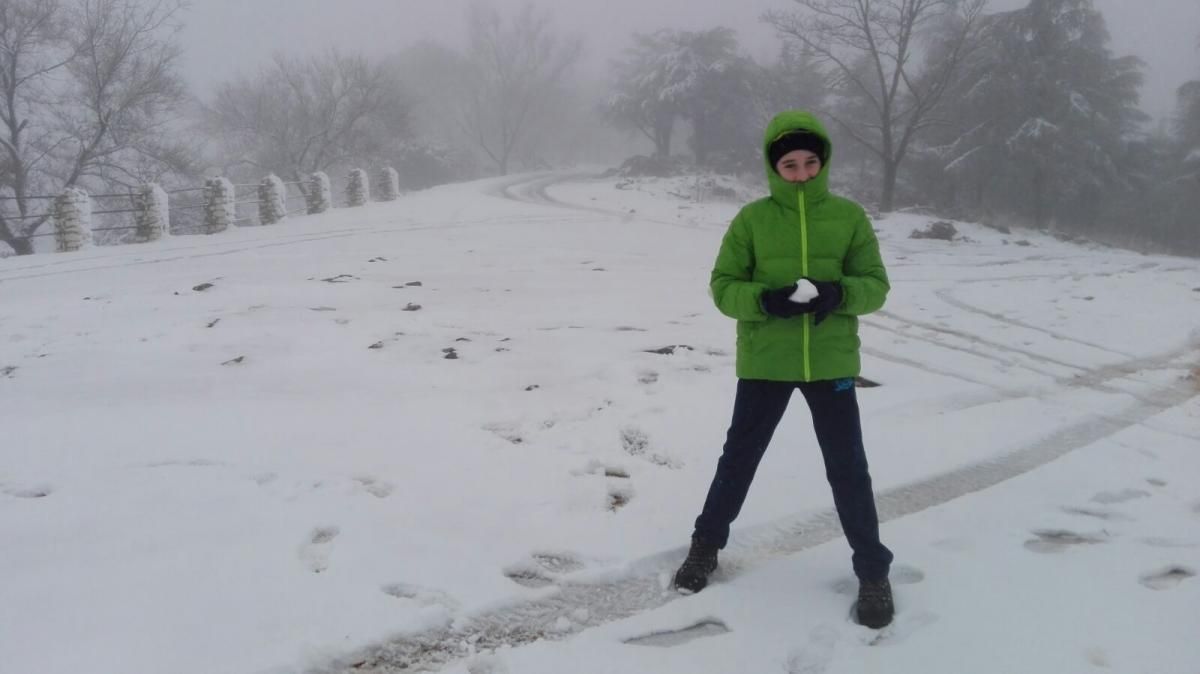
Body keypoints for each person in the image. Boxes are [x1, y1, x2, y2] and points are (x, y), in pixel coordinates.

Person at [672, 110, 895, 629]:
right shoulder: (751, 220)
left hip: (831, 361)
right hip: (766, 362)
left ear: (824, 162)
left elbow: (876, 285)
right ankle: (706, 546)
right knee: (740, 458)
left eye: (810, 162)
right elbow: (724, 287)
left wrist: (839, 294)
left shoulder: (849, 217)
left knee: (848, 468)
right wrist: (768, 301)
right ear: (774, 166)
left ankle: (872, 572)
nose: (801, 173)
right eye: (790, 164)